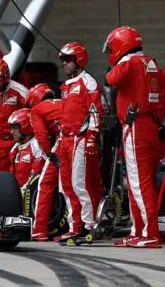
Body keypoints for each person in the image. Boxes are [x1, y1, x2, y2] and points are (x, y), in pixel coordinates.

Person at [104, 26, 165, 248]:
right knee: (140, 182)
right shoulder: (150, 62)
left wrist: (121, 65)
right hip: (155, 128)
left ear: (120, 46)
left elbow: (110, 79)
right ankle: (139, 230)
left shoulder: (129, 63)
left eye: (112, 49)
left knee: (138, 182)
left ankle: (150, 234)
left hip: (137, 127)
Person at [55, 42, 103, 242]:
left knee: (79, 184)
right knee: (65, 185)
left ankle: (91, 225)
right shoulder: (65, 86)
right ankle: (75, 226)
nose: (64, 64)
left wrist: (92, 137)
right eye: (63, 61)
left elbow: (95, 111)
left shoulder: (88, 82)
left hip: (79, 139)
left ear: (78, 61)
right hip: (65, 139)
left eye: (68, 60)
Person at [25, 83, 63, 241]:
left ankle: (39, 230)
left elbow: (41, 136)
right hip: (85, 139)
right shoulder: (63, 101)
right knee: (81, 186)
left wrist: (49, 155)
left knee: (45, 184)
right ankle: (85, 227)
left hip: (64, 142)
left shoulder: (36, 110)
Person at [8, 108, 47, 192]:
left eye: (15, 128)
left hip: (32, 194)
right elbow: (11, 176)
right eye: (11, 128)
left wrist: (22, 192)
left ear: (25, 127)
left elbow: (36, 176)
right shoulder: (14, 148)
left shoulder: (37, 147)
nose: (11, 132)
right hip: (17, 194)